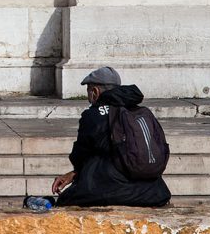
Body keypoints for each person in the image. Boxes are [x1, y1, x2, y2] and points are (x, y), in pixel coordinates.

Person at [51, 66, 170, 208]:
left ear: (95, 91)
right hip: (154, 192)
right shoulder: (141, 111)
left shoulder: (93, 115)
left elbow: (81, 154)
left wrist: (77, 172)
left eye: (89, 91)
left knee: (64, 201)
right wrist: (74, 173)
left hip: (112, 189)